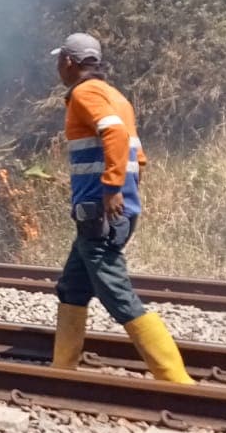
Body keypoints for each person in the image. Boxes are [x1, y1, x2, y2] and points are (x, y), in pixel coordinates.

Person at [50, 32, 193, 384]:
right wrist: (127, 195)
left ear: (69, 62)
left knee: (118, 296)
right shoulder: (117, 96)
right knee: (72, 287)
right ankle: (61, 371)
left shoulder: (85, 94)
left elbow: (114, 136)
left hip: (100, 213)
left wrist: (112, 190)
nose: (57, 67)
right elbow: (138, 155)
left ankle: (176, 380)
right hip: (111, 213)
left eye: (59, 61)